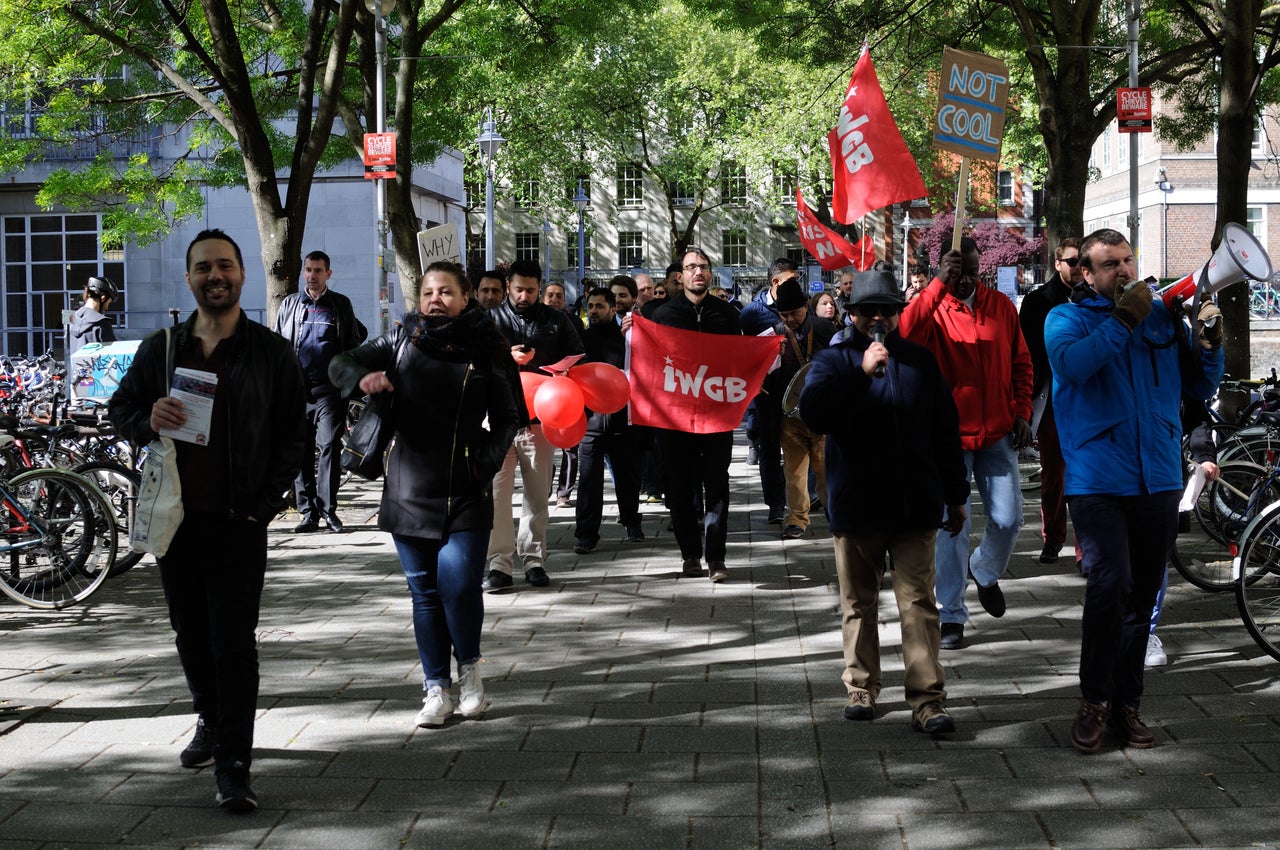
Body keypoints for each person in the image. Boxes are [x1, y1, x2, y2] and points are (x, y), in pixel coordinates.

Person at [108, 228, 307, 812]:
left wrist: (261, 506)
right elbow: (119, 411)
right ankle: (209, 717)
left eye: (224, 266)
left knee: (233, 645)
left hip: (238, 522)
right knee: (190, 636)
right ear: (189, 277)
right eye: (203, 268)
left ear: (241, 274)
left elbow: (293, 436)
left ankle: (234, 767)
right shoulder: (163, 349)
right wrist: (148, 418)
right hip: (176, 523)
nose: (214, 276)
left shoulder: (271, 352)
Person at [1046, 228, 1223, 753]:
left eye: (1128, 261)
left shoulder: (1162, 317)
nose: (1124, 271)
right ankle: (1094, 700)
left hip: (1159, 477)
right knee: (1109, 585)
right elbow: (1074, 367)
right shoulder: (1066, 320)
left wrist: (1209, 344)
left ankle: (1128, 705)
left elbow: (1198, 388)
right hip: (1098, 478)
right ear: (1087, 273)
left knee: (1143, 593)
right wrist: (1125, 320)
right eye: (1110, 264)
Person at [328, 261, 524, 728]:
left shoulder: (488, 347)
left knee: (458, 587)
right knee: (425, 594)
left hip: (466, 486)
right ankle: (436, 688)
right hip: (408, 488)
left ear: (466, 297)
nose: (435, 300)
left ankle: (470, 672)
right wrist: (361, 379)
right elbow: (340, 361)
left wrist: (485, 463)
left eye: (446, 292)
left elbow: (510, 414)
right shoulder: (400, 339)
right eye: (428, 292)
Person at [799, 269, 968, 735]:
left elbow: (944, 431)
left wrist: (955, 494)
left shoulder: (920, 361)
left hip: (915, 503)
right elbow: (815, 414)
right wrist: (860, 372)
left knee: (919, 604)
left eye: (887, 311)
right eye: (868, 311)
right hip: (857, 505)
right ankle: (860, 687)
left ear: (898, 313)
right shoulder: (834, 362)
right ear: (851, 315)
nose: (878, 319)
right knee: (859, 603)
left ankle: (928, 700)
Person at [899, 234, 1034, 650]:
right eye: (957, 273)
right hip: (948, 437)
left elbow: (1021, 363)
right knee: (952, 528)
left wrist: (1022, 412)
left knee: (1010, 519)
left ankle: (986, 569)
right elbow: (904, 335)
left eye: (972, 273)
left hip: (997, 432)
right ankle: (952, 614)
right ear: (943, 270)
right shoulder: (933, 307)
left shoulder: (1001, 307)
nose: (965, 281)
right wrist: (935, 287)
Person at [485, 260, 585, 590]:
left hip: (541, 419)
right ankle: (499, 563)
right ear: (508, 288)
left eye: (530, 290)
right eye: (518, 289)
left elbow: (576, 357)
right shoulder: (490, 318)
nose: (524, 295)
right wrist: (505, 359)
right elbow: (474, 361)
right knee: (498, 494)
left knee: (538, 493)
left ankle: (534, 560)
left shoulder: (556, 320)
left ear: (539, 288)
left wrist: (550, 369)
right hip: (498, 418)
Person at [651, 247, 742, 582]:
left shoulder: (727, 315)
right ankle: (690, 554)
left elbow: (739, 361)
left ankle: (716, 557)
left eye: (703, 267)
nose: (698, 272)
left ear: (710, 273)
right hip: (675, 418)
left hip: (717, 415)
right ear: (681, 276)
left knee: (717, 483)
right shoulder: (662, 316)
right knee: (680, 486)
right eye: (691, 267)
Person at [273, 250, 368, 534]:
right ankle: (308, 513)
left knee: (328, 446)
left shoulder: (339, 305)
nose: (312, 276)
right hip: (297, 390)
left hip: (329, 390)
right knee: (301, 451)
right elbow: (279, 344)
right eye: (308, 270)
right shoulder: (290, 305)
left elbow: (353, 341)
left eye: (317, 271)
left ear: (328, 273)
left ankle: (329, 511)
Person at [1018, 237, 1082, 565]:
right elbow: (1025, 354)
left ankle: (1087, 549)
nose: (1077, 267)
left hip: (1087, 396)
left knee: (1087, 472)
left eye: (1081, 261)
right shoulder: (1037, 301)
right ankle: (1053, 538)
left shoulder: (1097, 298)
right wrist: (1025, 406)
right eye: (1071, 261)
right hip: (1053, 396)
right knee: (1054, 472)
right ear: (1057, 264)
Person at [572, 287, 643, 553]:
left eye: (599, 306)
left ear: (612, 309)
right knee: (589, 481)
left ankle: (632, 522)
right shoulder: (581, 339)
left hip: (622, 421)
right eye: (590, 306)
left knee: (628, 478)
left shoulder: (627, 339)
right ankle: (586, 534)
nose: (593, 311)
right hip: (589, 423)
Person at [767, 278, 835, 539]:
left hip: (822, 416)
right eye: (784, 315)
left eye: (794, 313)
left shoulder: (824, 330)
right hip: (789, 417)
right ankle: (797, 519)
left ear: (806, 306)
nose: (789, 319)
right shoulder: (774, 334)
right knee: (794, 472)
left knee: (826, 470)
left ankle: (835, 513)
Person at [741, 258, 802, 526]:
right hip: (766, 395)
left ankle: (800, 501)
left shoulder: (802, 305)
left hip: (795, 393)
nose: (796, 284)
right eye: (792, 279)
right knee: (769, 448)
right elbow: (742, 352)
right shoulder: (752, 314)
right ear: (775, 282)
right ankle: (775, 504)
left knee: (799, 447)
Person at [71, 275, 119, 346]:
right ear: (103, 298)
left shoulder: (71, 319)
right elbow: (111, 353)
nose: (107, 308)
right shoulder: (102, 323)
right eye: (108, 303)